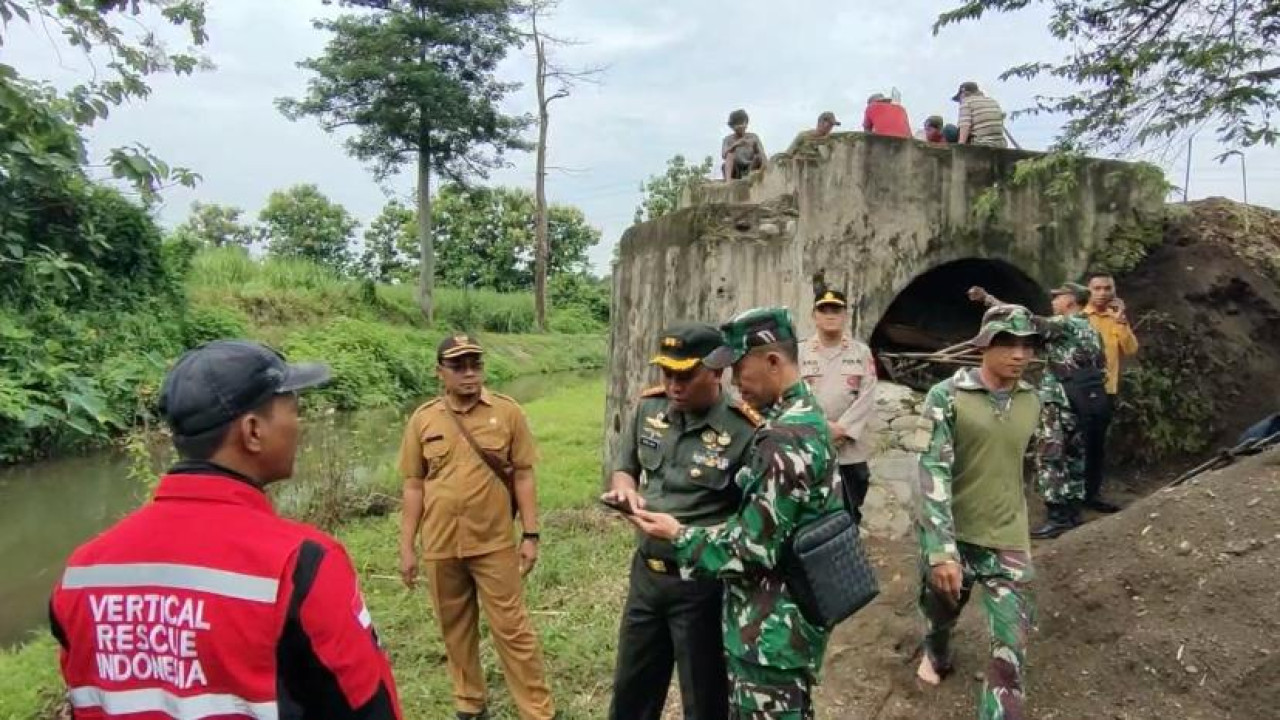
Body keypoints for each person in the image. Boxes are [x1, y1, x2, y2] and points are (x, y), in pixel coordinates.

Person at [48, 340, 403, 719]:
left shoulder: (82, 573)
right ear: (252, 431)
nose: (300, 426)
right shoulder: (301, 563)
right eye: (295, 411)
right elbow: (369, 707)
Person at [626, 307, 842, 720]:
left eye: (740, 367)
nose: (734, 380)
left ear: (773, 361)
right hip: (788, 620)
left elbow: (751, 549)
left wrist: (678, 534)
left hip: (770, 629)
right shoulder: (806, 417)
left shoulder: (783, 438)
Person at [603, 323, 763, 720]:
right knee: (632, 689)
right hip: (646, 576)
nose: (674, 384)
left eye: (686, 375)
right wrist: (625, 490)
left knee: (704, 696)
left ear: (717, 371)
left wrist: (689, 536)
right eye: (667, 373)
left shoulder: (745, 431)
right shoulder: (649, 408)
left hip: (700, 585)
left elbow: (750, 524)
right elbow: (624, 468)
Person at [398, 334, 555, 720]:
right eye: (459, 366)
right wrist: (407, 546)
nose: (469, 373)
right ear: (440, 373)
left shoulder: (507, 412)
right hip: (440, 544)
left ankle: (537, 710)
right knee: (455, 628)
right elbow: (414, 485)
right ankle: (469, 702)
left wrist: (531, 535)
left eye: (476, 365)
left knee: (512, 630)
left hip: (493, 543)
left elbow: (523, 476)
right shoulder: (423, 419)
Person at [914, 305, 1047, 720]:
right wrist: (940, 550)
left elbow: (1027, 462)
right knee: (940, 613)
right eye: (1007, 342)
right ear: (983, 344)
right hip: (954, 537)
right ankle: (936, 651)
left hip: (1008, 541)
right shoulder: (947, 397)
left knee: (1011, 647)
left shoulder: (1032, 401)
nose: (1019, 354)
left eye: (1027, 345)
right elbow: (931, 469)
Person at [968, 283, 1107, 538]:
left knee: (1050, 455)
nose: (1053, 300)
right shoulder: (1090, 329)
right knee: (1075, 454)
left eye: (1058, 297)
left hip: (1059, 401)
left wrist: (988, 299)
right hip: (1083, 401)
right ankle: (1073, 510)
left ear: (1071, 301)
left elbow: (1024, 318)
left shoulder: (1065, 324)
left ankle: (1057, 515)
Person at [799, 289, 879, 525]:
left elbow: (867, 394)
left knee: (850, 512)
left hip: (849, 452)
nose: (830, 315)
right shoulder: (800, 352)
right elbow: (793, 395)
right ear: (814, 315)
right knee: (809, 515)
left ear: (845, 315)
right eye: (824, 309)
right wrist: (821, 428)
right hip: (810, 448)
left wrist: (842, 429)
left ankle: (848, 558)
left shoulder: (861, 353)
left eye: (836, 310)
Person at [1081, 271, 1139, 513]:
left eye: (1107, 288)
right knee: (1077, 444)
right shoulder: (1080, 318)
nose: (1103, 293)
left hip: (1106, 391)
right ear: (1089, 291)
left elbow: (1131, 349)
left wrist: (1122, 321)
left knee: (1096, 445)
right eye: (1098, 288)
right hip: (1080, 391)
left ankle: (1091, 494)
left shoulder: (1116, 319)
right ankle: (1069, 497)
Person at [952, 81, 1009, 148]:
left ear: (963, 92)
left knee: (949, 129)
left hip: (982, 144)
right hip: (1001, 144)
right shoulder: (992, 101)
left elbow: (965, 127)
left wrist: (960, 148)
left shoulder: (966, 102)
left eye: (959, 98)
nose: (959, 102)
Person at [722, 109, 766, 180]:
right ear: (732, 126)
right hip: (736, 169)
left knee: (758, 157)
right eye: (737, 124)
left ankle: (756, 179)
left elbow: (763, 156)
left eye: (742, 123)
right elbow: (724, 155)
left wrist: (755, 147)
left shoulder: (753, 137)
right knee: (729, 155)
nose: (741, 126)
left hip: (750, 168)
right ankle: (728, 183)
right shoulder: (728, 139)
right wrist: (735, 145)